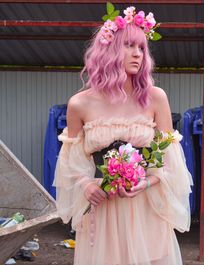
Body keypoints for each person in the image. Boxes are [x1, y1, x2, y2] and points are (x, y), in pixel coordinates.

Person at [53, 5, 192, 265]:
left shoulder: (155, 98)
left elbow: (171, 159)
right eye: (129, 45)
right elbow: (70, 162)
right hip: (103, 212)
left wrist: (148, 182)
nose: (137, 54)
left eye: (141, 48)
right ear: (109, 49)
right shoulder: (79, 104)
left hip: (145, 210)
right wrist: (86, 185)